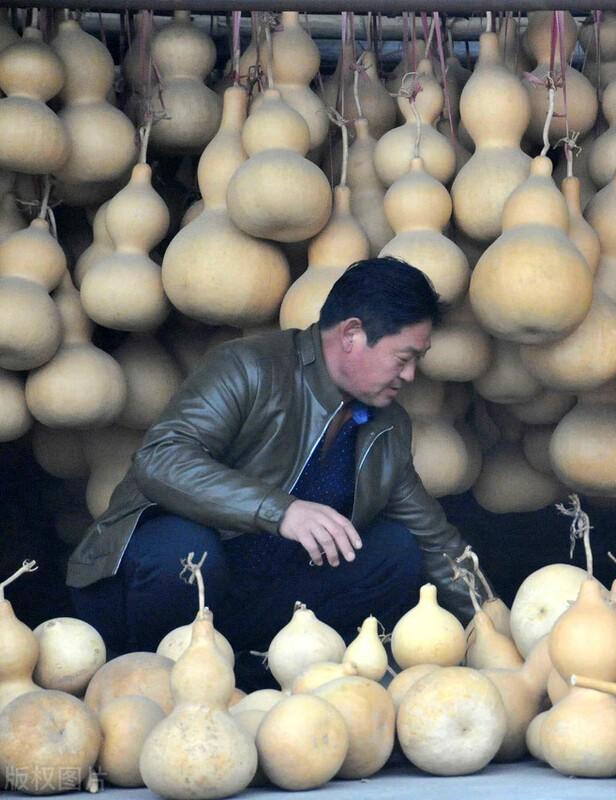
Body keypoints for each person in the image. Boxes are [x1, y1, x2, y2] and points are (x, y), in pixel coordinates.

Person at [66, 257, 474, 688]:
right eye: (403, 358)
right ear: (352, 334)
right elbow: (161, 459)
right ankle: (146, 677)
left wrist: (491, 623)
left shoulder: (387, 425)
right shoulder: (249, 367)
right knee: (185, 547)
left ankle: (256, 678)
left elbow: (434, 539)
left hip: (255, 598)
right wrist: (282, 511)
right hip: (154, 586)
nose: (410, 375)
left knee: (396, 550)